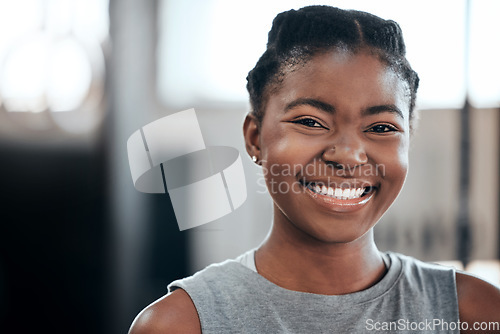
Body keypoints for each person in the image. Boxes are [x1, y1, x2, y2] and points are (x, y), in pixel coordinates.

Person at [129, 5, 500, 333]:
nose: (350, 155)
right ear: (256, 138)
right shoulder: (182, 324)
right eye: (311, 121)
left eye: (382, 128)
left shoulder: (473, 313)